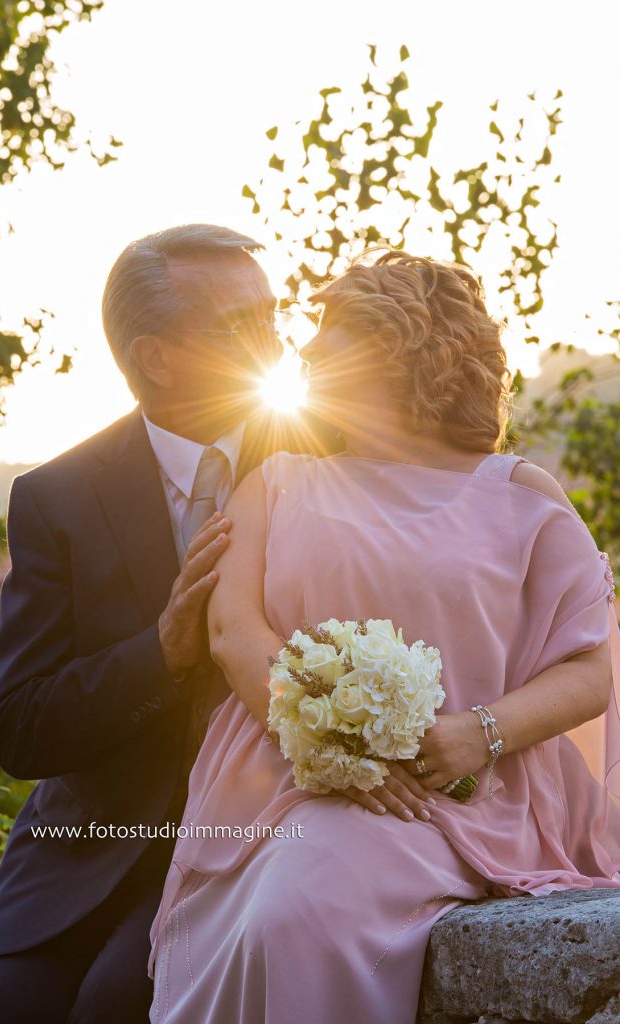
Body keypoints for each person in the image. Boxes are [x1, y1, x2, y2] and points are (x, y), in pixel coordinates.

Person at [147, 249, 620, 1024]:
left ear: (392, 344)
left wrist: (478, 734)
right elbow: (235, 634)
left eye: (328, 329)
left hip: (458, 797)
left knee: (295, 912)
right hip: (280, 787)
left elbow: (588, 670)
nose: (302, 349)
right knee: (251, 914)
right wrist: (334, 743)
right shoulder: (274, 484)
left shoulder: (518, 495)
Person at [0, 224, 339, 1024]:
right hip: (78, 854)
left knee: (116, 1003)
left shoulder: (329, 464)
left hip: (253, 844)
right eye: (239, 326)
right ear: (155, 357)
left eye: (271, 315)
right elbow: (19, 728)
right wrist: (159, 653)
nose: (274, 341)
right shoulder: (53, 498)